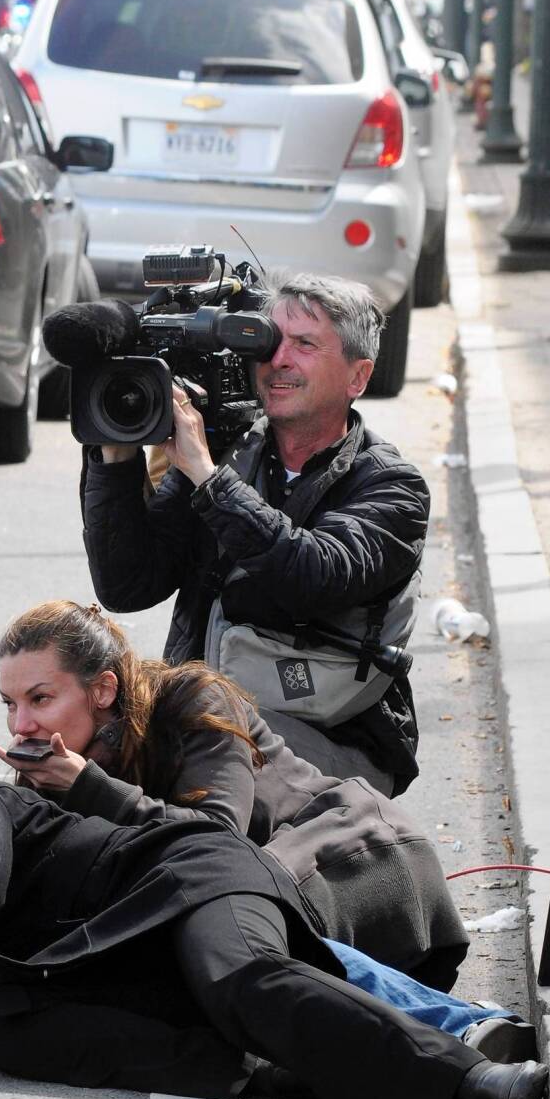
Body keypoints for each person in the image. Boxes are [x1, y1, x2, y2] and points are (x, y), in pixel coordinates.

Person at [0, 704, 547, 1099]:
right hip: (100, 953)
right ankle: (252, 1069)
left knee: (242, 980)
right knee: (5, 1027)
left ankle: (474, 1078)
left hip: (176, 876)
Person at [0, 600, 536, 1063]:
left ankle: (462, 1025)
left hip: (350, 852)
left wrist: (89, 787)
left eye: (40, 699)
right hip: (257, 892)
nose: (22, 725)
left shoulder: (192, 700)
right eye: (10, 705)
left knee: (229, 926)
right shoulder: (57, 761)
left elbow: (215, 840)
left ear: (104, 689)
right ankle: (416, 1044)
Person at [81, 273, 430, 796]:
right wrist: (116, 453)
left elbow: (309, 575)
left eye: (305, 345)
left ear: (357, 377)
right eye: (269, 340)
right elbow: (129, 584)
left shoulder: (393, 487)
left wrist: (208, 478)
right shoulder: (231, 454)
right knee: (77, 748)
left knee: (206, 757)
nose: (279, 360)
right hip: (207, 717)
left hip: (335, 734)